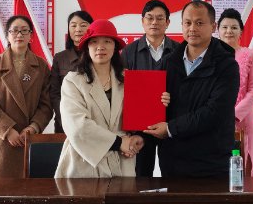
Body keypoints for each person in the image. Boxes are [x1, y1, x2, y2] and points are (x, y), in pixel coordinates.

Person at [55, 19, 169, 178]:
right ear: (87, 47)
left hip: (122, 162)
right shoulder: (73, 81)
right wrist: (119, 143)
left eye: (107, 41)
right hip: (83, 163)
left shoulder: (128, 79)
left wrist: (158, 103)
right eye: (94, 42)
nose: (100, 47)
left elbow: (141, 118)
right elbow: (78, 127)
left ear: (115, 46)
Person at [144, 0, 240, 177]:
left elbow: (215, 112)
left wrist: (171, 129)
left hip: (211, 164)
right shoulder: (169, 61)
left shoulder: (227, 65)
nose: (192, 28)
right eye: (188, 23)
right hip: (172, 163)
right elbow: (155, 105)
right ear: (182, 25)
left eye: (199, 23)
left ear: (213, 27)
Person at [0, 15, 53, 178]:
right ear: (7, 35)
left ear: (31, 35)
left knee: (27, 189)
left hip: (28, 140)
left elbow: (46, 105)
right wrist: (7, 130)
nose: (19, 35)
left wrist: (33, 127)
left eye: (24, 31)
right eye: (14, 31)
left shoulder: (41, 66)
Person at [121, 0, 179, 176]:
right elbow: (122, 88)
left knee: (173, 176)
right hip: (139, 128)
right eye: (150, 17)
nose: (154, 22)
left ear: (167, 23)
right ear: (142, 21)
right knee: (140, 177)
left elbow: (185, 86)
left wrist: (173, 96)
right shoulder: (128, 52)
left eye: (160, 18)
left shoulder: (179, 51)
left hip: (170, 124)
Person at [218, 8, 253, 177]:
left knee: (244, 170)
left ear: (241, 31)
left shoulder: (251, 55)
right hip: (216, 120)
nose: (229, 31)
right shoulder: (211, 57)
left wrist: (233, 115)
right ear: (218, 30)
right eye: (225, 27)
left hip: (243, 121)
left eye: (234, 27)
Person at [49, 11, 93, 133]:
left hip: (95, 122)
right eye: (73, 25)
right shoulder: (60, 58)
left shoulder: (99, 55)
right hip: (65, 123)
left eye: (83, 25)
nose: (78, 29)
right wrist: (65, 118)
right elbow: (54, 93)